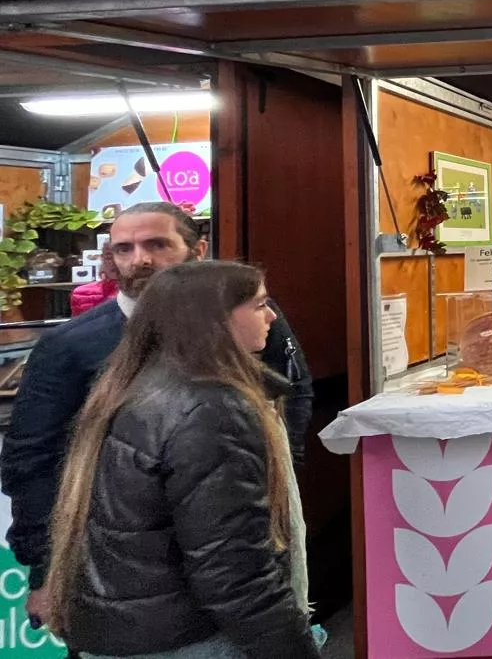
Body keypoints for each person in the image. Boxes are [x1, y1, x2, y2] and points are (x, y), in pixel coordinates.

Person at [1, 201, 314, 625]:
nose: (140, 260)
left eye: (157, 244)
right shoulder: (71, 347)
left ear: (198, 251)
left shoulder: (251, 318)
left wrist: (270, 479)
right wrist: (45, 568)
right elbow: (31, 461)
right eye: (123, 249)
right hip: (124, 571)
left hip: (237, 538)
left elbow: (289, 395)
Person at [42, 261, 319, 659]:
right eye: (259, 305)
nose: (272, 316)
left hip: (128, 629)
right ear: (215, 320)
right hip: (189, 637)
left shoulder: (136, 387)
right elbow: (234, 567)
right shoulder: (211, 410)